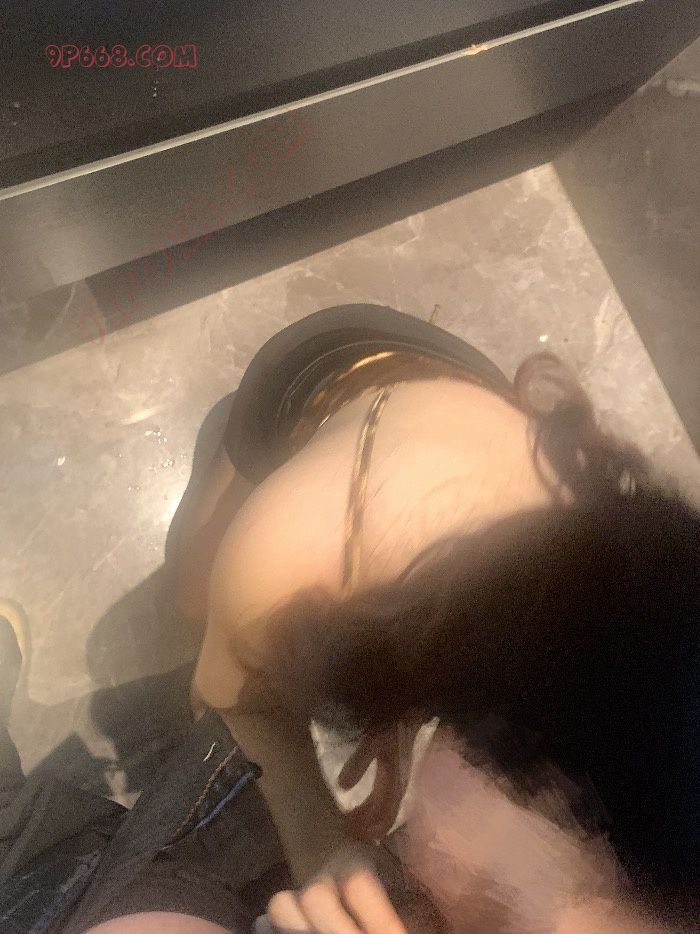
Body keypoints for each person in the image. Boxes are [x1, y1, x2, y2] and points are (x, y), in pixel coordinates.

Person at [167, 305, 698, 922]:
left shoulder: (605, 641)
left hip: (458, 425)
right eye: (491, 923)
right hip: (324, 371)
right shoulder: (292, 555)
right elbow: (228, 703)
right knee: (188, 591)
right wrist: (321, 847)